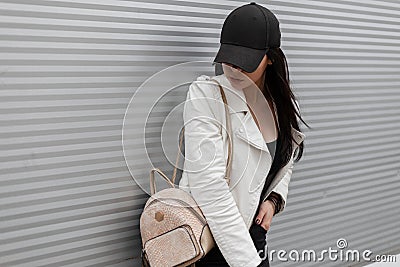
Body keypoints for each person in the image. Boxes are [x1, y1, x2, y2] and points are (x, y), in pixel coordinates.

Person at [178, 2, 310, 267]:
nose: (234, 69)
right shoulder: (207, 95)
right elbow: (208, 187)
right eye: (229, 58)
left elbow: (285, 157)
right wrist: (248, 262)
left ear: (271, 58)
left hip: (253, 237)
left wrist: (273, 200)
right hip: (210, 242)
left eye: (245, 62)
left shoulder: (276, 104)